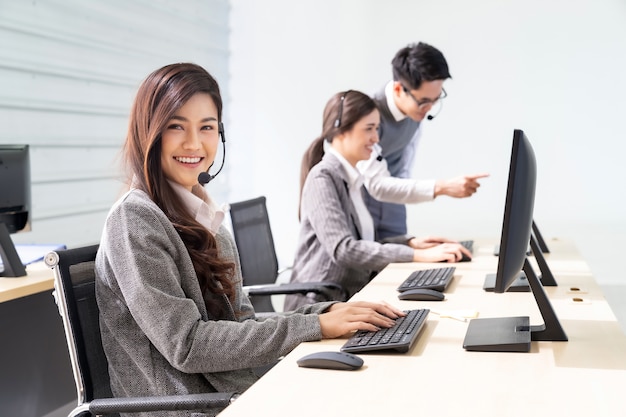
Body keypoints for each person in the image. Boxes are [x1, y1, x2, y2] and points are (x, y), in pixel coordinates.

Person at [94, 63, 405, 417]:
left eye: (207, 127)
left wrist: (326, 312)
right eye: (175, 126)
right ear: (147, 132)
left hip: (232, 393)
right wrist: (314, 326)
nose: (194, 143)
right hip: (191, 408)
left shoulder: (205, 219)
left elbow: (240, 325)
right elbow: (187, 345)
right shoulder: (135, 219)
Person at [284, 90, 471, 311]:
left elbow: (363, 242)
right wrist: (417, 255)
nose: (376, 138)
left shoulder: (353, 178)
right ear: (342, 130)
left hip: (348, 299)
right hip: (318, 306)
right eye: (369, 129)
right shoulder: (323, 177)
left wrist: (409, 243)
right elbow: (344, 250)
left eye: (377, 128)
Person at [360, 42, 490, 239]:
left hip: (393, 206)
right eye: (423, 101)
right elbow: (376, 185)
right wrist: (443, 187)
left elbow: (403, 172)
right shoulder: (367, 114)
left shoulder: (416, 113)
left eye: (436, 99)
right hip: (361, 213)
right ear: (398, 90)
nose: (429, 108)